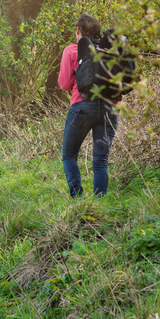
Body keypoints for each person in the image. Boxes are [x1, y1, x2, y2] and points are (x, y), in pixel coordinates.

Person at [57, 12, 119, 197]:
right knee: (101, 160)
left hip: (82, 106)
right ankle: (100, 202)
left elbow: (64, 84)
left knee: (69, 154)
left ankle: (77, 198)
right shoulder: (109, 51)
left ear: (78, 31)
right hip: (110, 108)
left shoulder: (71, 50)